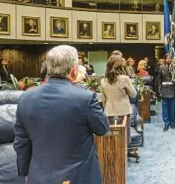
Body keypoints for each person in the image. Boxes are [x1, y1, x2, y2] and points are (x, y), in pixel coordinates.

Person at [13, 45, 109, 184]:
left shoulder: (25, 98)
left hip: (38, 177)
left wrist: (26, 173)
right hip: (79, 177)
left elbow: (21, 142)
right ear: (74, 70)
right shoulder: (86, 98)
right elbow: (103, 129)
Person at [158, 54, 175, 131]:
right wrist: (159, 91)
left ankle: (172, 122)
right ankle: (166, 123)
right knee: (165, 108)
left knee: (172, 108)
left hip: (173, 90)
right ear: (165, 59)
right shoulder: (161, 67)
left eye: (170, 58)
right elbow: (159, 80)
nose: (168, 59)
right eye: (167, 58)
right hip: (164, 90)